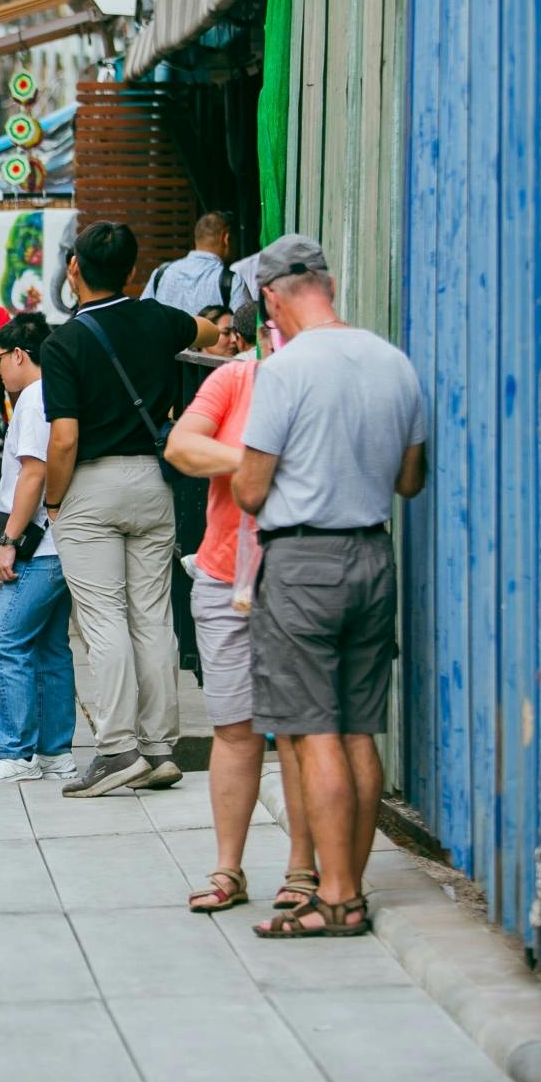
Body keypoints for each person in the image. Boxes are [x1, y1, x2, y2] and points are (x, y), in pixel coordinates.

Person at [232, 235, 427, 939]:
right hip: (374, 556)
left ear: (274, 299)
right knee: (359, 729)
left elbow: (251, 491)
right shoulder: (393, 362)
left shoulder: (285, 370)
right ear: (329, 282)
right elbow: (411, 479)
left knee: (314, 731)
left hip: (303, 561)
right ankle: (354, 878)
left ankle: (337, 895)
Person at [41, 220, 218, 799]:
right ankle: (160, 749)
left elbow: (63, 438)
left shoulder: (63, 342)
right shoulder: (159, 317)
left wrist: (54, 500)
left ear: (74, 269)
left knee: (103, 620)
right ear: (135, 272)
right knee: (152, 615)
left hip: (91, 484)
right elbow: (211, 331)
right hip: (151, 481)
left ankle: (116, 749)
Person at [166, 305, 320, 913]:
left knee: (301, 735)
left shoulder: (319, 382)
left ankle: (303, 869)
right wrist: (256, 461)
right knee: (233, 730)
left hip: (300, 580)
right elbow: (182, 446)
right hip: (225, 576)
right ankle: (228, 869)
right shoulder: (235, 379)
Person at [0, 314, 79, 783]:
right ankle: (56, 753)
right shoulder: (57, 392)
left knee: (4, 642)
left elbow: (33, 472)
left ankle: (16, 753)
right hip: (60, 541)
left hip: (38, 545)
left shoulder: (33, 398)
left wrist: (9, 542)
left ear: (18, 354)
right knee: (52, 647)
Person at [141, 211, 235, 316]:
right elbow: (245, 327)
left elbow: (141, 317)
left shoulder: (161, 273)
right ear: (226, 238)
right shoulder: (232, 281)